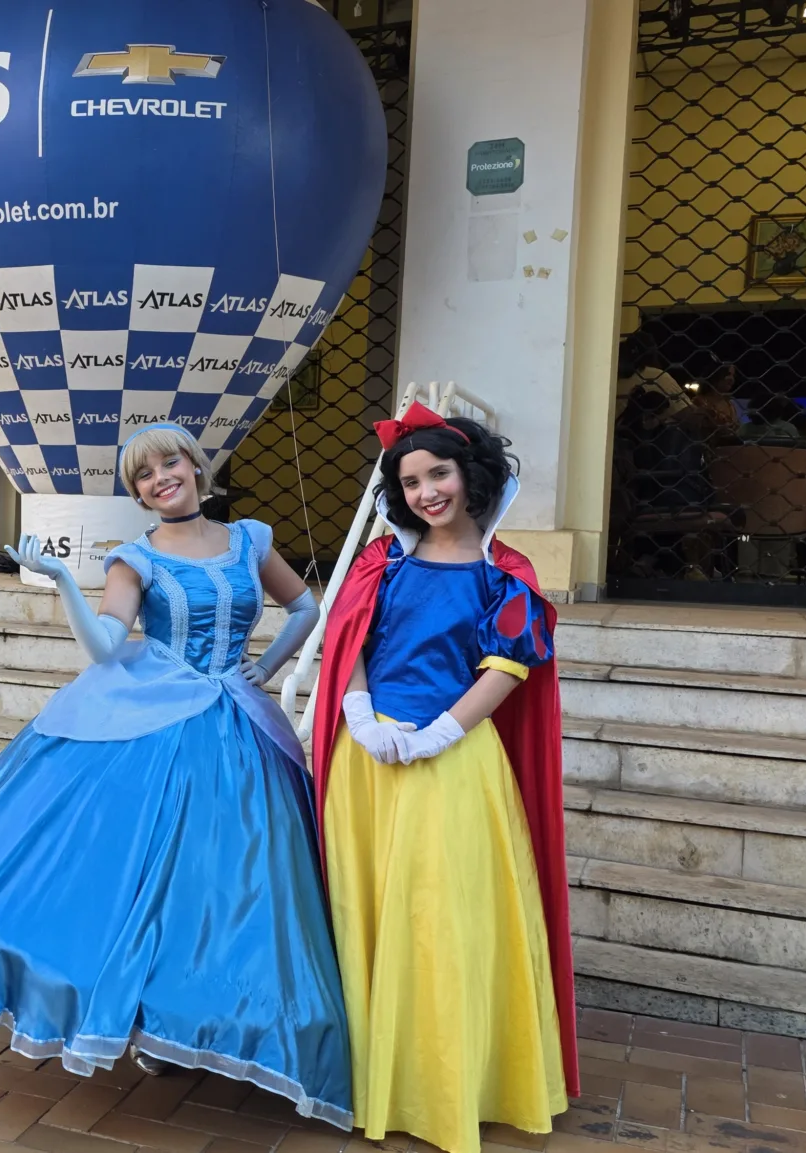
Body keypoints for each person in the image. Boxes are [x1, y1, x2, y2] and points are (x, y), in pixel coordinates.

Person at [0, 423, 350, 1126]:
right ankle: (152, 1019)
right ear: (138, 494)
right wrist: (65, 580)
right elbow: (105, 647)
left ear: (195, 465)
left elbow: (306, 606)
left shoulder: (250, 539)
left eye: (170, 463)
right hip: (160, 721)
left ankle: (212, 1017)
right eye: (144, 475)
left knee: (232, 884)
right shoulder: (135, 558)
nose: (162, 478)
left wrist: (269, 665)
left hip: (242, 728)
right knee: (147, 877)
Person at [310, 404, 577, 1153]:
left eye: (439, 474)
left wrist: (440, 733)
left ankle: (444, 1086)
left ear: (471, 475)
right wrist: (359, 714)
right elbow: (349, 641)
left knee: (440, 921)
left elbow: (508, 666)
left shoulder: (506, 572)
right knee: (366, 913)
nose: (426, 491)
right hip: (369, 762)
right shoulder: (381, 561)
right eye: (411, 481)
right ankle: (370, 1078)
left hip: (454, 763)